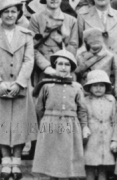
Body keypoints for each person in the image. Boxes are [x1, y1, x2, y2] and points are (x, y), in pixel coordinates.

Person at [0, 0, 35, 180]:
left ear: (18, 14)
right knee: (2, 123)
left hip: (20, 85)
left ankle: (16, 163)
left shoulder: (26, 35)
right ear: (0, 14)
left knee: (19, 124)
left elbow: (29, 60)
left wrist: (20, 83)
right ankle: (5, 162)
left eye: (13, 11)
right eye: (6, 12)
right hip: (0, 86)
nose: (10, 15)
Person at [32, 49, 90, 179]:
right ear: (55, 66)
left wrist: (84, 126)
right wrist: (44, 122)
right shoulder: (47, 86)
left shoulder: (76, 87)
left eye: (67, 64)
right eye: (60, 64)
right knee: (50, 154)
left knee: (66, 154)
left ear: (71, 68)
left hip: (70, 124)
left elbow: (82, 109)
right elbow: (39, 108)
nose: (63, 67)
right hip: (50, 123)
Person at [82, 70, 116, 180]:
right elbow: (83, 118)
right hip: (92, 136)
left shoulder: (111, 100)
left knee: (103, 165)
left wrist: (114, 138)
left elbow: (114, 120)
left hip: (107, 135)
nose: (98, 88)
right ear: (89, 87)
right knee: (90, 165)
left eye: (101, 85)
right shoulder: (85, 100)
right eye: (95, 85)